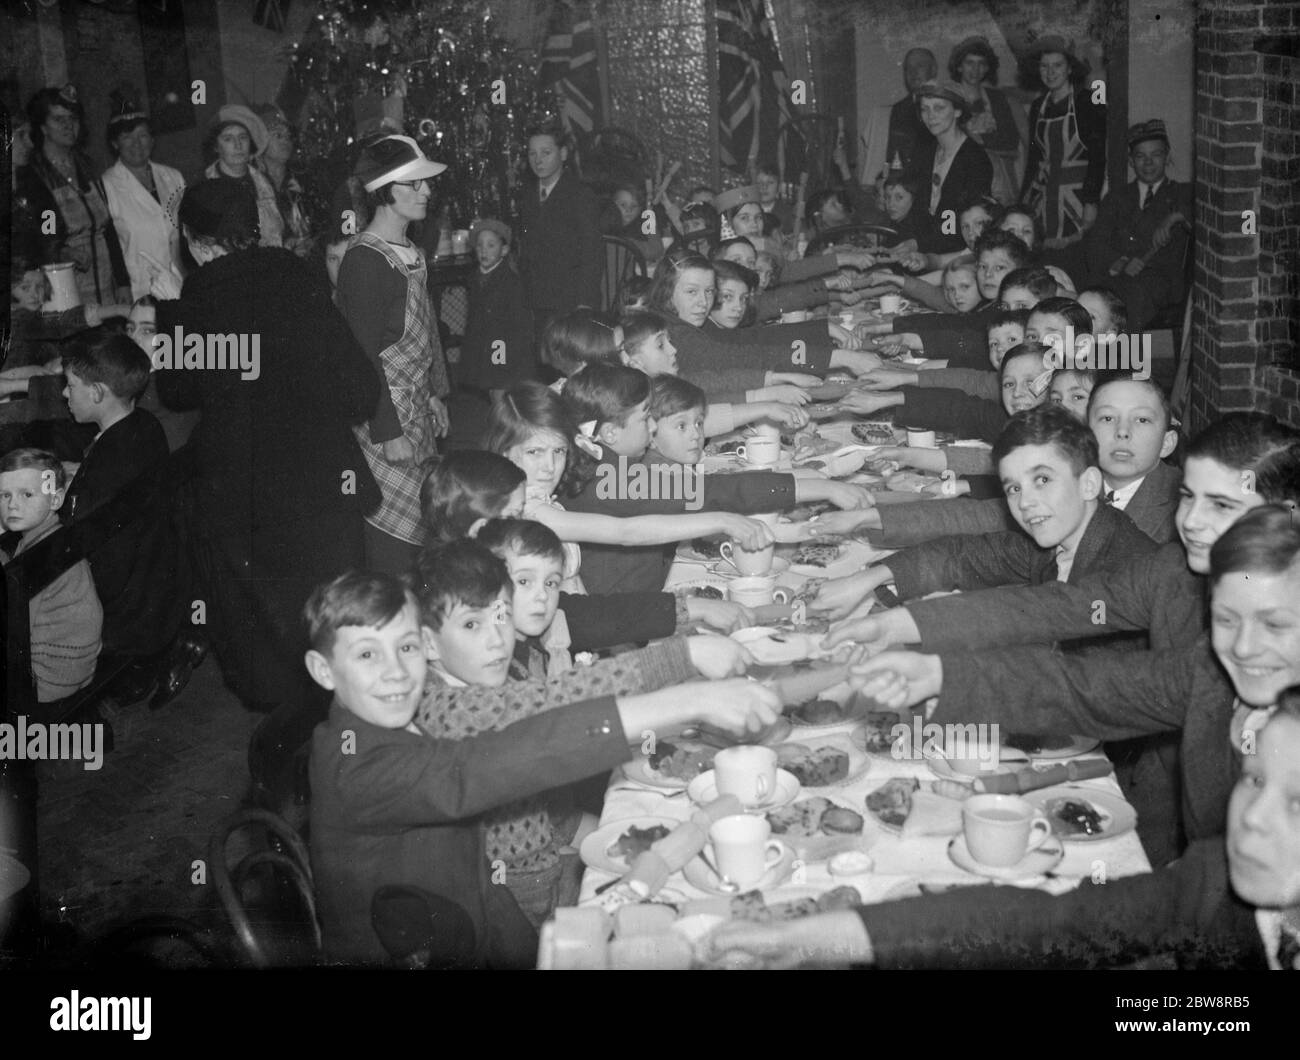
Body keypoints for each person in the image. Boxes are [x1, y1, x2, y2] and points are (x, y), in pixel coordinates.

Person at [305, 568, 779, 965]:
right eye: (367, 654)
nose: (395, 672)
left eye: (406, 647)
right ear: (323, 671)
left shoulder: (399, 710)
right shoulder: (355, 769)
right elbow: (486, 765)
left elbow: (483, 883)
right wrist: (688, 699)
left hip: (470, 922)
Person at [708, 686, 1300, 970]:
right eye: (1252, 780)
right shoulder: (1216, 880)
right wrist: (825, 936)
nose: (1250, 819)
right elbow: (1052, 923)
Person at [152, 177, 383, 798]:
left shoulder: (198, 297)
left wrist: (167, 317)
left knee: (270, 635)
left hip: (244, 494)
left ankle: (294, 771)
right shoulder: (298, 276)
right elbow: (360, 388)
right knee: (336, 621)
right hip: (321, 483)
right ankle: (356, 754)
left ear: (197, 244)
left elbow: (175, 392)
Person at [413, 537, 751, 927]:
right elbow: (560, 702)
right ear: (428, 643)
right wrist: (685, 657)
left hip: (550, 855)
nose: (496, 638)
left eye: (502, 616)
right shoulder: (451, 712)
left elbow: (536, 793)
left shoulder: (490, 675)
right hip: (513, 902)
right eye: (472, 624)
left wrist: (590, 833)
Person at [335, 134, 452, 574]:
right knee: (393, 537)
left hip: (415, 410)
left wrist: (435, 393)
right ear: (384, 190)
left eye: (426, 184)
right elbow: (362, 358)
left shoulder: (411, 252)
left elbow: (425, 336)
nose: (427, 192)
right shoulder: (365, 261)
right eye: (415, 184)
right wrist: (388, 431)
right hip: (384, 418)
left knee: (425, 527)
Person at [60, 331, 189, 704]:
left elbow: (96, 556)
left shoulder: (105, 473)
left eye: (70, 385)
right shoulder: (145, 425)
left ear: (98, 393)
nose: (64, 395)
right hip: (158, 588)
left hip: (126, 613)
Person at [0, 447, 102, 705]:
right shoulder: (52, 538)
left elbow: (14, 627)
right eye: (4, 495)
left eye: (26, 494)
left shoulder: (40, 559)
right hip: (73, 667)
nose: (12, 504)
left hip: (45, 679)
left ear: (55, 500)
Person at [14, 86, 129, 307]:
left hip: (106, 287)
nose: (69, 126)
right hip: (64, 287)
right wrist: (61, 251)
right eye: (58, 119)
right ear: (43, 127)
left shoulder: (87, 166)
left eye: (73, 118)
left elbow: (108, 230)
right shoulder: (33, 174)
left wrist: (123, 282)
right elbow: (34, 239)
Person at [1083, 120, 1193, 329]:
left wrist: (1175, 217)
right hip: (1118, 276)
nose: (1148, 163)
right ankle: (1090, 360)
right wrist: (1122, 262)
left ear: (1167, 157)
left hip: (1159, 282)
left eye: (1156, 155)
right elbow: (1095, 245)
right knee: (1090, 297)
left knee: (1128, 299)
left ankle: (1127, 361)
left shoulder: (1182, 193)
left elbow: (1209, 214)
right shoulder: (1116, 198)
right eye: (1141, 156)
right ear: (1131, 161)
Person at [448, 218, 535, 450]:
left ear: (504, 250)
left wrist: (501, 359)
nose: (484, 251)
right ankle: (506, 436)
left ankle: (506, 440)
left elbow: (519, 325)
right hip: (485, 345)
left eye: (491, 246)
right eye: (480, 246)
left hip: (502, 347)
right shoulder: (476, 277)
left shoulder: (510, 281)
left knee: (499, 392)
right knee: (493, 393)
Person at [1019, 35, 1106, 251]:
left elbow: (1098, 156)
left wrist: (1091, 202)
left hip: (1077, 199)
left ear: (1069, 68)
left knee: (1074, 257)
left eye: (1057, 65)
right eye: (1044, 66)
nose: (1050, 72)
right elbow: (1034, 159)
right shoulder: (1039, 105)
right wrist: (1022, 202)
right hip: (1042, 198)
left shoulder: (1087, 101)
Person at [518, 119, 603, 336]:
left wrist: (585, 304)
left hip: (570, 303)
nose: (538, 160)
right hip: (535, 303)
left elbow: (592, 253)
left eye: (546, 152)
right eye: (532, 154)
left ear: (563, 154)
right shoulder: (526, 197)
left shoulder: (580, 196)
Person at [97, 97, 186, 301]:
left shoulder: (173, 177)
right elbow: (109, 244)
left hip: (180, 282)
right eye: (127, 136)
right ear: (115, 143)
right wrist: (122, 284)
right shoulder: (106, 185)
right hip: (141, 289)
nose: (136, 143)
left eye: (143, 135)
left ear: (152, 140)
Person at [903, 81, 993, 254]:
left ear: (958, 111)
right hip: (928, 251)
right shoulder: (926, 153)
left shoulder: (975, 159)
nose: (931, 116)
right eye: (925, 109)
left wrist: (920, 245)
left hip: (959, 254)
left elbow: (968, 225)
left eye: (939, 108)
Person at [948, 36, 1021, 205]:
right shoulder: (950, 99)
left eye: (981, 63)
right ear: (959, 66)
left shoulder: (997, 98)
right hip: (961, 176)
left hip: (999, 178)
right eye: (969, 63)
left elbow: (1010, 141)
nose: (975, 69)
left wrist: (976, 138)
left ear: (987, 68)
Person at [200, 104, 283, 248]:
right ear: (216, 146)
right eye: (228, 139)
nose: (238, 145)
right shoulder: (205, 192)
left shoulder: (264, 182)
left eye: (243, 137)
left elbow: (278, 230)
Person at [251, 104, 313, 255]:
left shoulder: (301, 179)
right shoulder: (252, 187)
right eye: (278, 135)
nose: (286, 141)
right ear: (260, 141)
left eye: (288, 136)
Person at [886, 48, 939, 173]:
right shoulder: (899, 109)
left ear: (933, 70)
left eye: (920, 66)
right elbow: (894, 156)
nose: (913, 72)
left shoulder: (945, 104)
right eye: (908, 68)